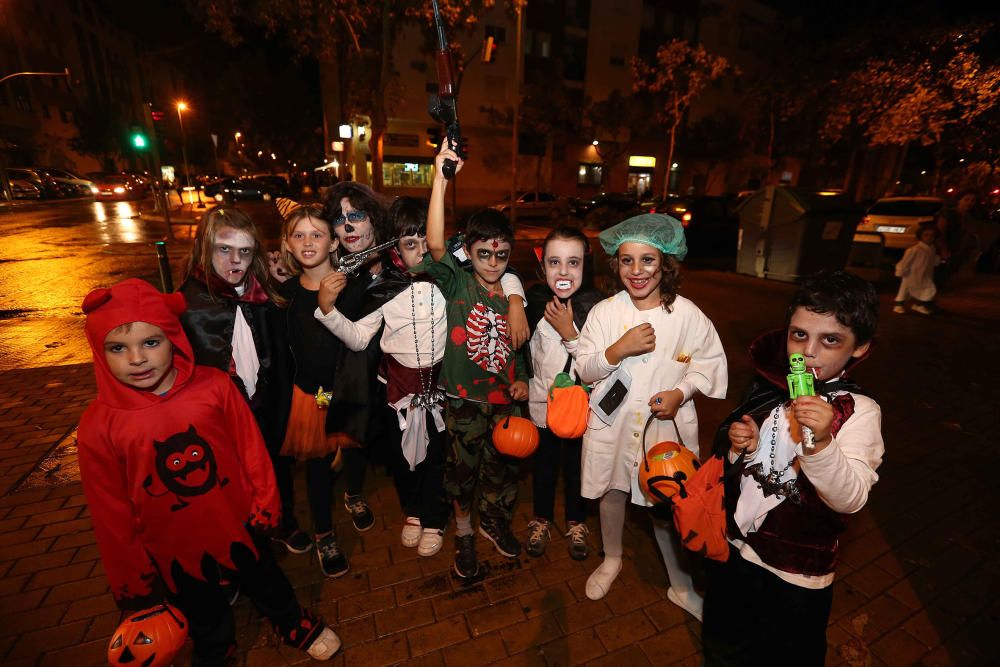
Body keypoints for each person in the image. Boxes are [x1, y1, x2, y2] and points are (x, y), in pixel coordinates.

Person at [77, 279, 340, 664]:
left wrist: (267, 504)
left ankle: (290, 622)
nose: (136, 358)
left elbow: (252, 449)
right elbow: (110, 511)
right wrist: (132, 575)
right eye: (118, 348)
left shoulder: (214, 387)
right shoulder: (99, 425)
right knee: (199, 605)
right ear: (100, 354)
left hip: (236, 521)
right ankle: (216, 647)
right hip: (170, 544)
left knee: (266, 579)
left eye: (151, 342)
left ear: (174, 339)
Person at [701, 270, 883, 666]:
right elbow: (761, 467)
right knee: (724, 643)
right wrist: (742, 450)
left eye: (830, 339)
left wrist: (820, 441)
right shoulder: (774, 389)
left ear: (860, 347)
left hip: (795, 576)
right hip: (740, 551)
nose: (809, 351)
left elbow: (849, 498)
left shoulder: (858, 411)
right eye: (799, 334)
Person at [575, 214, 728, 619]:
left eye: (647, 260)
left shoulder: (687, 315)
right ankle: (612, 558)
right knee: (612, 491)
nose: (637, 271)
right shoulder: (606, 313)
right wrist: (617, 350)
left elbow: (707, 363)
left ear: (666, 263)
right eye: (627, 261)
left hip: (662, 430)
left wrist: (681, 392)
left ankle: (680, 584)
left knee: (665, 501)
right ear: (616, 265)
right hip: (613, 423)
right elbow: (585, 369)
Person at [315, 196, 451, 557]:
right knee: (403, 455)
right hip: (395, 389)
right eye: (409, 244)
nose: (420, 251)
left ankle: (435, 516)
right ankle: (414, 511)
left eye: (426, 240)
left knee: (437, 454)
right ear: (394, 249)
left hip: (439, 388)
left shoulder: (449, 282)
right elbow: (359, 337)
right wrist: (327, 310)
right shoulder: (385, 288)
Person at [417, 143, 530, 579]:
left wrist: (520, 380)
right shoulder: (458, 283)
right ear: (471, 251)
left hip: (504, 402)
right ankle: (463, 531)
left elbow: (516, 347)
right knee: (461, 473)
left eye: (502, 255)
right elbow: (434, 241)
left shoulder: (511, 295)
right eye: (484, 254)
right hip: (463, 400)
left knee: (502, 469)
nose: (493, 263)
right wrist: (439, 179)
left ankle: (492, 521)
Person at [176, 206, 306, 554]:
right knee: (232, 477)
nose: (235, 260)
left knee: (276, 463)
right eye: (224, 249)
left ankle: (284, 519)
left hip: (266, 401)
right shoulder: (188, 305)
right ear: (205, 247)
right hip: (222, 414)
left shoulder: (262, 293)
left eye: (245, 251)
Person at [274, 204, 352, 577]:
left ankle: (354, 494)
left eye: (317, 234)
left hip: (348, 391)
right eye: (299, 235)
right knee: (319, 466)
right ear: (287, 244)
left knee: (349, 452)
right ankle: (324, 533)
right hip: (314, 395)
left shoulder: (349, 287)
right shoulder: (284, 294)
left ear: (334, 241)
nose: (308, 242)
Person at [524, 226, 603, 560]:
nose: (564, 271)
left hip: (579, 411)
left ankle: (576, 521)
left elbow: (598, 362)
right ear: (543, 268)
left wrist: (569, 328)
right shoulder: (534, 301)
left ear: (586, 265)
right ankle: (541, 519)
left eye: (573, 263)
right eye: (555, 262)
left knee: (575, 468)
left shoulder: (597, 308)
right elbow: (523, 350)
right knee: (543, 467)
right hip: (542, 405)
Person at [894, 222, 939, 315]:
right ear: (920, 236)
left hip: (925, 274)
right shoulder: (914, 250)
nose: (929, 237)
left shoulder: (932, 248)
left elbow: (933, 259)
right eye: (926, 235)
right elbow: (906, 261)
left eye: (932, 235)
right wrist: (901, 271)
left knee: (926, 289)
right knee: (904, 290)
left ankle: (919, 304)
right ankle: (899, 305)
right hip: (911, 274)